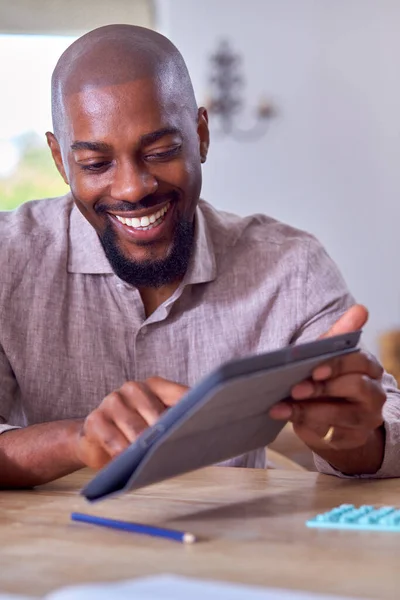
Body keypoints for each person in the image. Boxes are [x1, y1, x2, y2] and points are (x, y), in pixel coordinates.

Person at [0, 24, 398, 489]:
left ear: (201, 136)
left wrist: (349, 434)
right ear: (59, 160)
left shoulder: (290, 267)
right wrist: (79, 439)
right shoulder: (10, 259)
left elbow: (387, 427)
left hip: (224, 554)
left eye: (161, 151)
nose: (132, 188)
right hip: (51, 557)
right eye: (95, 164)